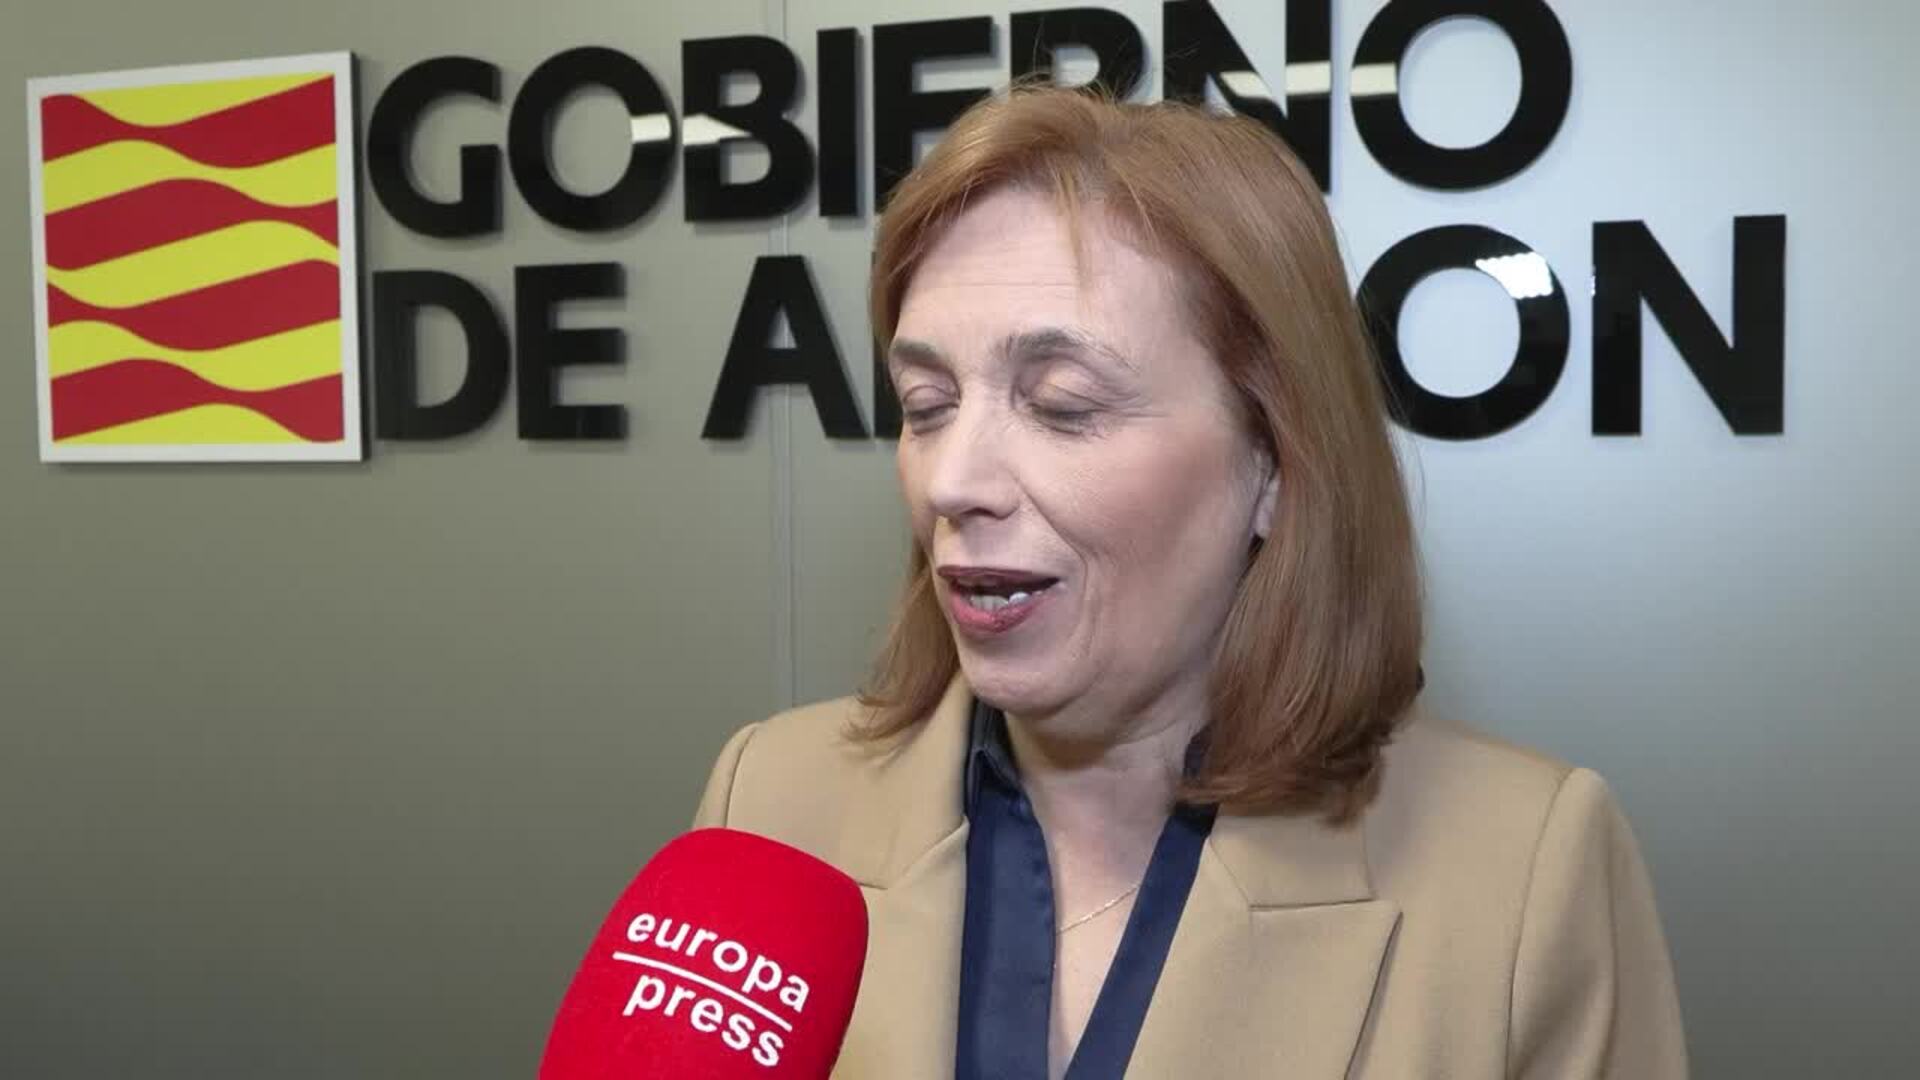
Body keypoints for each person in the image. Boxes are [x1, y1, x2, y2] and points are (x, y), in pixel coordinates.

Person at [693, 85, 1687, 1079]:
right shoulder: (769, 805)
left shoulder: (1524, 873)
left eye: (1062, 405)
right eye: (926, 404)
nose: (952, 481)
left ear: (1275, 460)